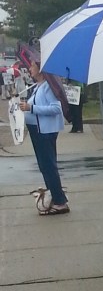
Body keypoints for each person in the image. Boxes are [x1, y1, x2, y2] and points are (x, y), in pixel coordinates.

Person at [19, 60, 69, 215]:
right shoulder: (38, 86)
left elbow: (56, 108)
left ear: (40, 69)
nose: (29, 68)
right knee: (45, 166)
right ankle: (54, 194)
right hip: (37, 130)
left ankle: (60, 201)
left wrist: (31, 108)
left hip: (45, 131)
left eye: (32, 66)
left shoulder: (48, 86)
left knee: (48, 166)